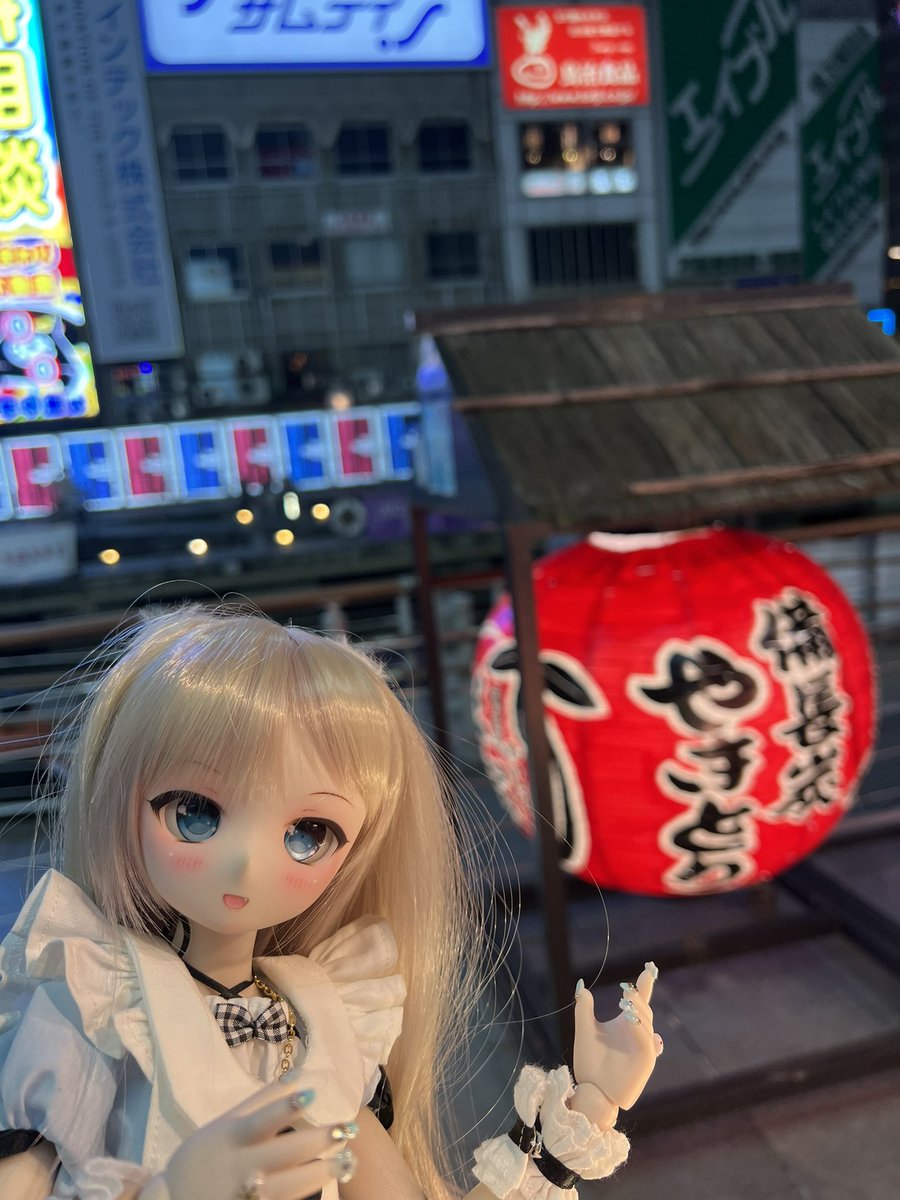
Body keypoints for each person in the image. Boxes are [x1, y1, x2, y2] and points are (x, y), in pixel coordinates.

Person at [0, 606, 662, 1200]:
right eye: (195, 813)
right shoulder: (98, 996)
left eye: (307, 834)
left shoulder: (325, 1015)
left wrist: (590, 1106)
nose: (245, 863)